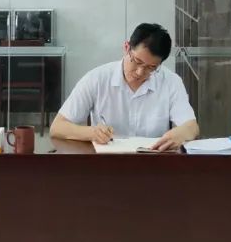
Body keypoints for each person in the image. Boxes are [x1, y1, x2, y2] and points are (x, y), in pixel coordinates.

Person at [50, 23, 199, 152]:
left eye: (151, 67)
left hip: (153, 164)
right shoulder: (97, 78)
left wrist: (180, 134)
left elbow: (192, 127)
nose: (140, 72)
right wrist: (91, 133)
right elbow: (57, 127)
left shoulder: (171, 82)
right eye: (137, 61)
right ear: (127, 47)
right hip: (107, 165)